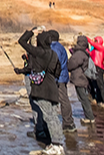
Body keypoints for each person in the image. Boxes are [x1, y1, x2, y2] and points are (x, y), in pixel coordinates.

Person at [19, 26, 65, 154]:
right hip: (52, 88)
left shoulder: (39, 52)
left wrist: (31, 32)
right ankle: (57, 144)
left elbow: (21, 42)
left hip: (42, 90)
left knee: (49, 117)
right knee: (53, 116)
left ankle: (56, 144)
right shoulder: (53, 54)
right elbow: (58, 71)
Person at [66, 35, 96, 124]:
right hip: (82, 78)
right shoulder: (83, 52)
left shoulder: (79, 54)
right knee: (83, 98)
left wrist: (67, 65)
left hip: (80, 79)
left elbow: (71, 64)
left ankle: (89, 117)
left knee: (83, 98)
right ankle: (89, 117)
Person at [49, 31, 74, 132]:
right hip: (62, 77)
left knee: (62, 100)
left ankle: (68, 123)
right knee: (64, 100)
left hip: (58, 78)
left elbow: (55, 64)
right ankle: (68, 122)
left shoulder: (54, 48)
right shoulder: (60, 47)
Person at [86, 35, 104, 105]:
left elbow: (92, 43)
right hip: (93, 68)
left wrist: (86, 38)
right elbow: (88, 52)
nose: (93, 41)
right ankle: (99, 100)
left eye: (94, 40)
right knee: (95, 85)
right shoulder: (93, 50)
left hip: (99, 68)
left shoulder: (101, 48)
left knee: (100, 85)